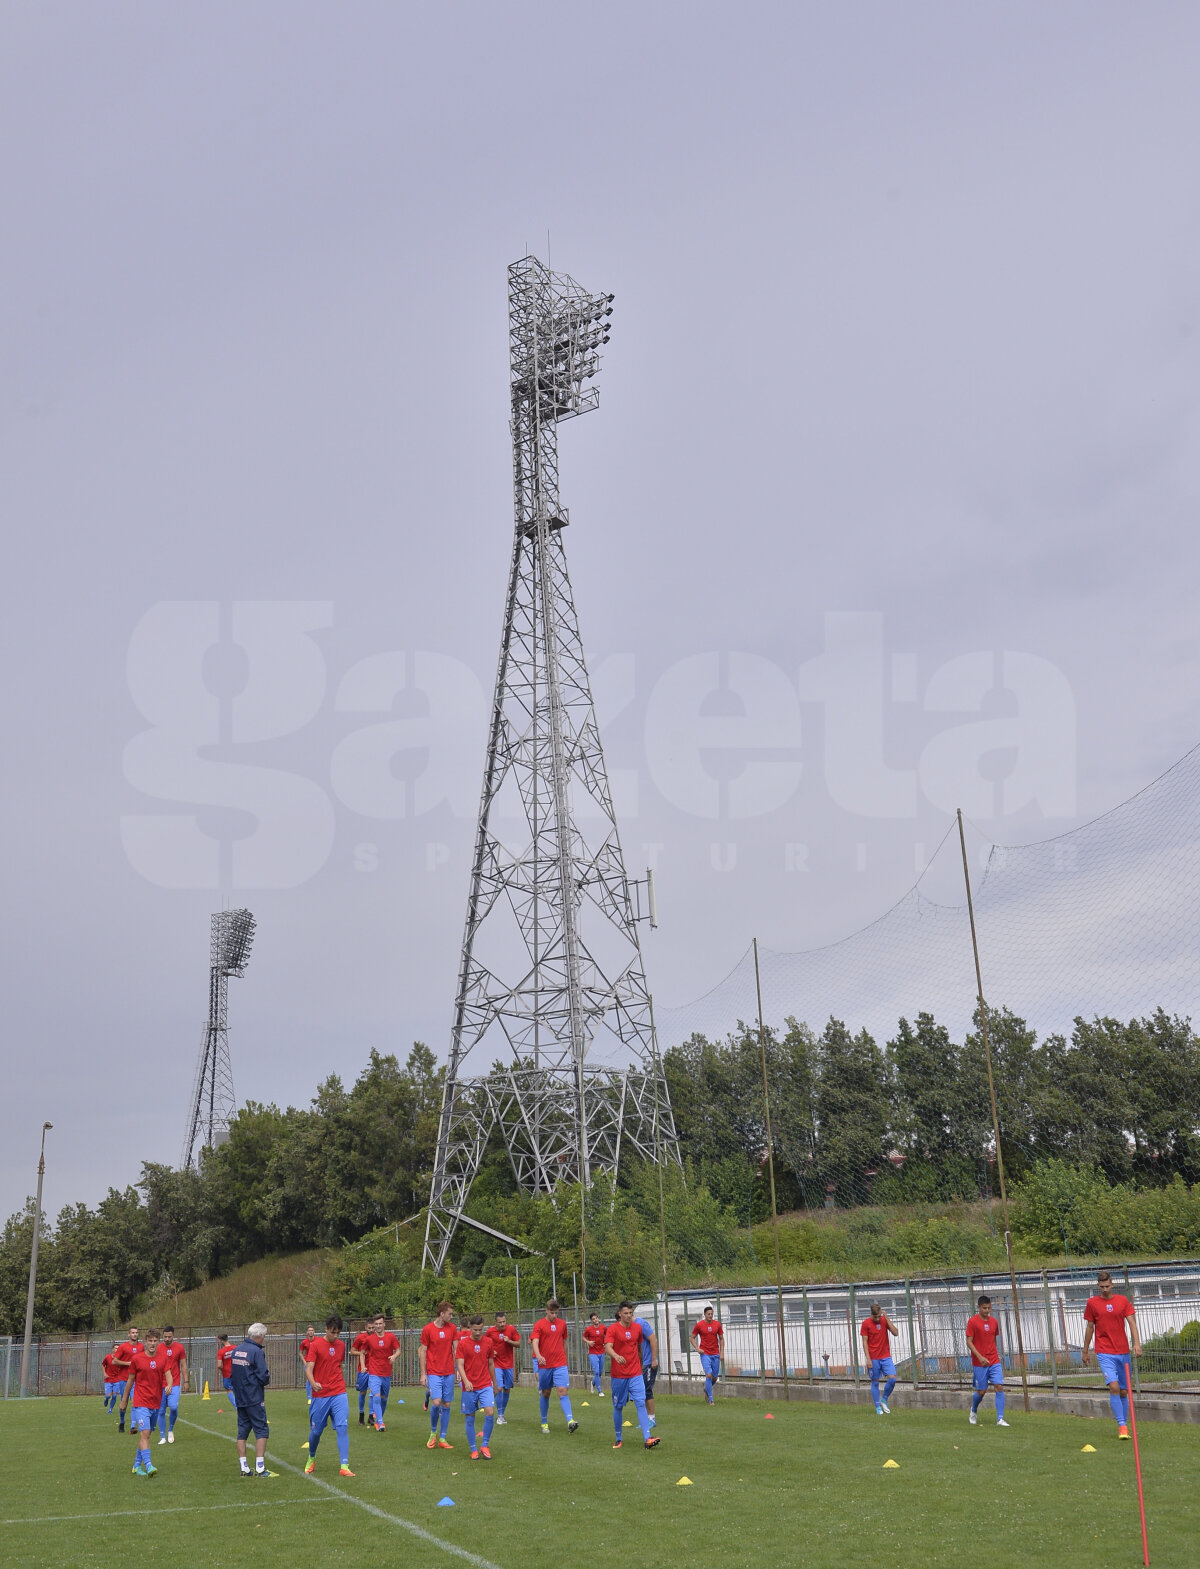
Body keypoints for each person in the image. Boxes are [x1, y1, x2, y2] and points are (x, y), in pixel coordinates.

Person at [1082, 1269, 1142, 1440]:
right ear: (1098, 1286)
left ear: (1112, 1284)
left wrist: (1136, 1344)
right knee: (1114, 1387)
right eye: (1101, 1287)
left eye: (1107, 1286)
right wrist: (1085, 1350)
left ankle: (1125, 1425)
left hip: (1123, 1352)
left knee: (1124, 1391)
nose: (1105, 1289)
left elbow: (1131, 1323)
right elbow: (1090, 1327)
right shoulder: (1092, 1303)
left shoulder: (1122, 1301)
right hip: (1104, 1351)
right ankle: (1122, 1426)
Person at [303, 1315, 355, 1476]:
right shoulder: (316, 1345)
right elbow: (309, 1369)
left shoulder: (340, 1346)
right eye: (333, 1332)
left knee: (342, 1427)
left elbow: (337, 1365)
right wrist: (313, 1383)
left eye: (338, 1333)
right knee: (316, 1431)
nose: (336, 1336)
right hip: (320, 1395)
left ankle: (344, 1466)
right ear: (326, 1329)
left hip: (339, 1392)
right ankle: (311, 1457)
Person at [605, 1302, 660, 1450]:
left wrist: (641, 1363)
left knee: (640, 1402)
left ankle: (647, 1438)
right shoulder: (613, 1329)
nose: (629, 1316)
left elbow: (639, 1347)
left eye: (630, 1313)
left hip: (635, 1373)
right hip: (619, 1375)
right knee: (618, 1406)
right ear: (620, 1314)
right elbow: (608, 1347)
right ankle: (618, 1438)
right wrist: (616, 1356)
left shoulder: (637, 1328)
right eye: (626, 1313)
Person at [119, 1328, 172, 1477]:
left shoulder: (162, 1358)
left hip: (155, 1401)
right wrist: (124, 1401)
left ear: (158, 1342)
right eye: (150, 1341)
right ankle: (149, 1465)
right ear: (145, 1342)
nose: (152, 1343)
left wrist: (169, 1385)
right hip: (140, 1401)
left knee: (146, 1436)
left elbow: (168, 1374)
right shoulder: (137, 1359)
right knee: (145, 1433)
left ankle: (136, 1465)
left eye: (155, 1341)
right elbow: (130, 1380)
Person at [230, 1323, 273, 1477]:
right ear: (260, 1336)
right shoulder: (256, 1352)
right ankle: (260, 1468)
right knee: (261, 1430)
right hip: (254, 1397)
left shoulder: (236, 1350)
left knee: (242, 1433)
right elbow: (263, 1376)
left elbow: (232, 1375)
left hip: (240, 1398)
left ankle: (244, 1468)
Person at [530, 1298, 578, 1435]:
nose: (554, 1315)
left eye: (556, 1313)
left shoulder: (562, 1324)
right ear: (546, 1311)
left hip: (560, 1364)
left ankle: (570, 1421)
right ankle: (544, 1422)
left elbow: (564, 1342)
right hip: (545, 1366)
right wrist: (538, 1356)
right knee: (546, 1393)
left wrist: (565, 1358)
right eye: (552, 1313)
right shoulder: (539, 1325)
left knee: (562, 1390)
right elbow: (535, 1342)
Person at [456, 1315, 497, 1460]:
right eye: (475, 1330)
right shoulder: (463, 1344)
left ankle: (485, 1445)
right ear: (470, 1328)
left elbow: (491, 1363)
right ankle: (473, 1449)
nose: (478, 1333)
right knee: (470, 1418)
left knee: (490, 1412)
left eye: (480, 1329)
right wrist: (465, 1381)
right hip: (469, 1386)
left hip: (485, 1384)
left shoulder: (488, 1342)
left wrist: (495, 1383)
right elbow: (460, 1364)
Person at [420, 1301, 458, 1449]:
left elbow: (457, 1349)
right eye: (450, 1314)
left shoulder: (452, 1328)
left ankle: (442, 1438)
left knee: (446, 1404)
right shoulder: (428, 1329)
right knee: (436, 1403)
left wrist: (459, 1370)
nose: (451, 1316)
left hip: (448, 1371)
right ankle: (433, 1432)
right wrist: (424, 1374)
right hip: (434, 1371)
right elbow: (423, 1351)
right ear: (442, 1314)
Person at [966, 1295, 1009, 1428]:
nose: (987, 1310)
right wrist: (979, 1357)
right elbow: (969, 1342)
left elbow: (993, 1340)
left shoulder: (994, 1322)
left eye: (989, 1307)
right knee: (981, 1392)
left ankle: (1000, 1419)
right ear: (979, 1307)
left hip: (994, 1360)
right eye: (984, 1308)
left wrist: (994, 1354)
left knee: (999, 1387)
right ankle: (973, 1410)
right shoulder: (972, 1322)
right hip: (979, 1363)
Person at [860, 1302, 899, 1415]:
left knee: (892, 1379)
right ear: (871, 1314)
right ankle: (877, 1407)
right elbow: (864, 1342)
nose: (877, 1319)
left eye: (879, 1316)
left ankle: (884, 1399)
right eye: (875, 1317)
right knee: (875, 1382)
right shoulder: (866, 1323)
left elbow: (896, 1333)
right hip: (873, 1358)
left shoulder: (883, 1320)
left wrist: (887, 1318)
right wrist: (868, 1359)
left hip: (886, 1356)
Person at [364, 1313, 401, 1432]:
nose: (378, 1326)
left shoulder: (391, 1337)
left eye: (380, 1323)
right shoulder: (369, 1339)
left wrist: (394, 1356)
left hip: (386, 1373)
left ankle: (379, 1419)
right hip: (374, 1372)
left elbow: (398, 1350)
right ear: (373, 1326)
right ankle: (380, 1423)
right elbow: (362, 1352)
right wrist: (364, 1366)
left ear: (384, 1324)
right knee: (376, 1397)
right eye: (376, 1324)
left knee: (384, 1399)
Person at [487, 1312, 521, 1425]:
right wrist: (491, 1351)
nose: (502, 1324)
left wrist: (509, 1341)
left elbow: (519, 1343)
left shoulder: (511, 1329)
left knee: (507, 1389)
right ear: (495, 1322)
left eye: (504, 1322)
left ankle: (502, 1414)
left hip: (508, 1364)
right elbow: (484, 1344)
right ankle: (499, 1415)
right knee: (499, 1388)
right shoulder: (490, 1332)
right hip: (496, 1364)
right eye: (500, 1322)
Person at [156, 1326, 187, 1444]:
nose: (167, 1339)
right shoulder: (158, 1348)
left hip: (174, 1383)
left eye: (169, 1337)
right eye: (165, 1337)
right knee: (161, 1411)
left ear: (173, 1335)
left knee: (173, 1407)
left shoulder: (179, 1347)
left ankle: (170, 1429)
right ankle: (163, 1436)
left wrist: (186, 1381)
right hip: (160, 1384)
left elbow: (183, 1365)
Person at [111, 1328, 143, 1434]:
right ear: (128, 1334)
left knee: (135, 1402)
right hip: (124, 1379)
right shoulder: (123, 1347)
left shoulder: (141, 1347)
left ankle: (133, 1426)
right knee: (124, 1403)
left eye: (136, 1333)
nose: (135, 1334)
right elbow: (114, 1361)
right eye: (133, 1333)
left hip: (136, 1380)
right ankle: (122, 1421)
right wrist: (128, 1363)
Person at [690, 1307, 724, 1404]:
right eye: (708, 1314)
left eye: (711, 1314)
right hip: (705, 1354)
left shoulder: (717, 1324)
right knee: (708, 1375)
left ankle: (707, 1389)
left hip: (715, 1353)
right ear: (705, 1314)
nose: (710, 1315)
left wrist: (721, 1353)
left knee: (715, 1377)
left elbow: (721, 1338)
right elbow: (692, 1338)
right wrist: (697, 1348)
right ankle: (711, 1399)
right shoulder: (699, 1325)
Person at [633, 1311, 660, 1427]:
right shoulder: (631, 1327)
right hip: (641, 1365)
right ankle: (646, 1419)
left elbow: (653, 1340)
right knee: (641, 1392)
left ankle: (652, 1419)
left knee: (647, 1390)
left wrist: (654, 1359)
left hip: (649, 1363)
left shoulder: (641, 1323)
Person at [352, 1322, 373, 1426]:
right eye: (370, 1328)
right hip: (363, 1370)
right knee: (363, 1392)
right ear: (366, 1328)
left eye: (373, 1327)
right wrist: (361, 1353)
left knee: (373, 1392)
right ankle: (361, 1414)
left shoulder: (377, 1338)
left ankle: (371, 1416)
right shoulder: (361, 1338)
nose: (372, 1329)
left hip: (374, 1369)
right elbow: (352, 1351)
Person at [583, 1312, 607, 1395]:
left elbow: (608, 1336)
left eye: (596, 1318)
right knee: (596, 1372)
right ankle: (600, 1391)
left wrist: (606, 1343)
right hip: (593, 1353)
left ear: (598, 1318)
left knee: (599, 1372)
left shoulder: (603, 1328)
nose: (595, 1320)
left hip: (602, 1352)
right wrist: (588, 1342)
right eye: (593, 1319)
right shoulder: (589, 1329)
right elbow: (583, 1337)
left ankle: (593, 1383)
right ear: (591, 1321)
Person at [299, 1325, 318, 1404]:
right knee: (309, 1380)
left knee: (317, 1378)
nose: (311, 1331)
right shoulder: (304, 1342)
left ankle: (317, 1396)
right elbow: (300, 1353)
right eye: (309, 1330)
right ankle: (309, 1398)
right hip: (308, 1363)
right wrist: (304, 1361)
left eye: (312, 1330)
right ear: (307, 1332)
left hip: (316, 1363)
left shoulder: (318, 1340)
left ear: (314, 1332)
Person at [102, 1345, 121, 1413]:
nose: (117, 1350)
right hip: (108, 1379)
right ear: (113, 1349)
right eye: (116, 1348)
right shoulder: (107, 1357)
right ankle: (106, 1399)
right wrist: (104, 1373)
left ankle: (110, 1409)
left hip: (117, 1379)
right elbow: (103, 1365)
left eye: (118, 1349)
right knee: (108, 1396)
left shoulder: (120, 1358)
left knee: (115, 1396)